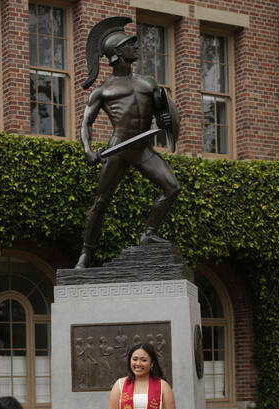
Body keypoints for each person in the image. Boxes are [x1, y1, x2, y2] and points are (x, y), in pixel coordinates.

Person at [74, 17, 179, 269]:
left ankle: (149, 233)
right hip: (118, 148)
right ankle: (85, 254)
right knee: (101, 201)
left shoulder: (148, 83)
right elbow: (86, 123)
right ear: (118, 53)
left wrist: (166, 120)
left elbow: (163, 112)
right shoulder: (102, 90)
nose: (136, 47)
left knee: (172, 188)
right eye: (131, 44)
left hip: (143, 148)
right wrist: (88, 150)